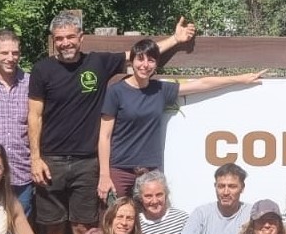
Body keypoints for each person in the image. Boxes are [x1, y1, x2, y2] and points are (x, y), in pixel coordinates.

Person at [28, 10, 195, 234]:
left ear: (81, 37)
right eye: (59, 38)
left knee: (83, 226)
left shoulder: (97, 63)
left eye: (70, 36)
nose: (65, 42)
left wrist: (175, 40)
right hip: (51, 160)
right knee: (54, 228)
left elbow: (139, 56)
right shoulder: (42, 69)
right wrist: (35, 158)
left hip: (87, 161)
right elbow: (34, 115)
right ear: (53, 40)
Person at [97, 37, 264, 199]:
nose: (145, 65)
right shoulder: (116, 92)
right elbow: (104, 136)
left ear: (156, 65)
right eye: (140, 59)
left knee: (155, 215)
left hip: (151, 169)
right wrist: (105, 175)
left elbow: (202, 84)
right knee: (116, 215)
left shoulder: (160, 90)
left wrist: (240, 78)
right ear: (132, 61)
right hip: (120, 169)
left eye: (151, 60)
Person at [0, 29, 36, 234]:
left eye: (15, 53)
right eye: (4, 52)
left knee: (19, 229)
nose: (10, 58)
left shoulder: (30, 82)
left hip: (21, 168)